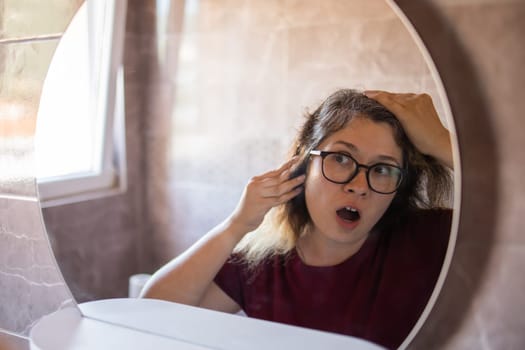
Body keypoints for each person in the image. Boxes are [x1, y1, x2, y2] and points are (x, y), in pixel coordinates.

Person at [141, 89, 454, 349]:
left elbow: (505, 221)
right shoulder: (261, 263)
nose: (358, 186)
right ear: (303, 164)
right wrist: (236, 226)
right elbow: (148, 317)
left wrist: (444, 143)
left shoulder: (432, 240)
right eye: (341, 159)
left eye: (383, 169)